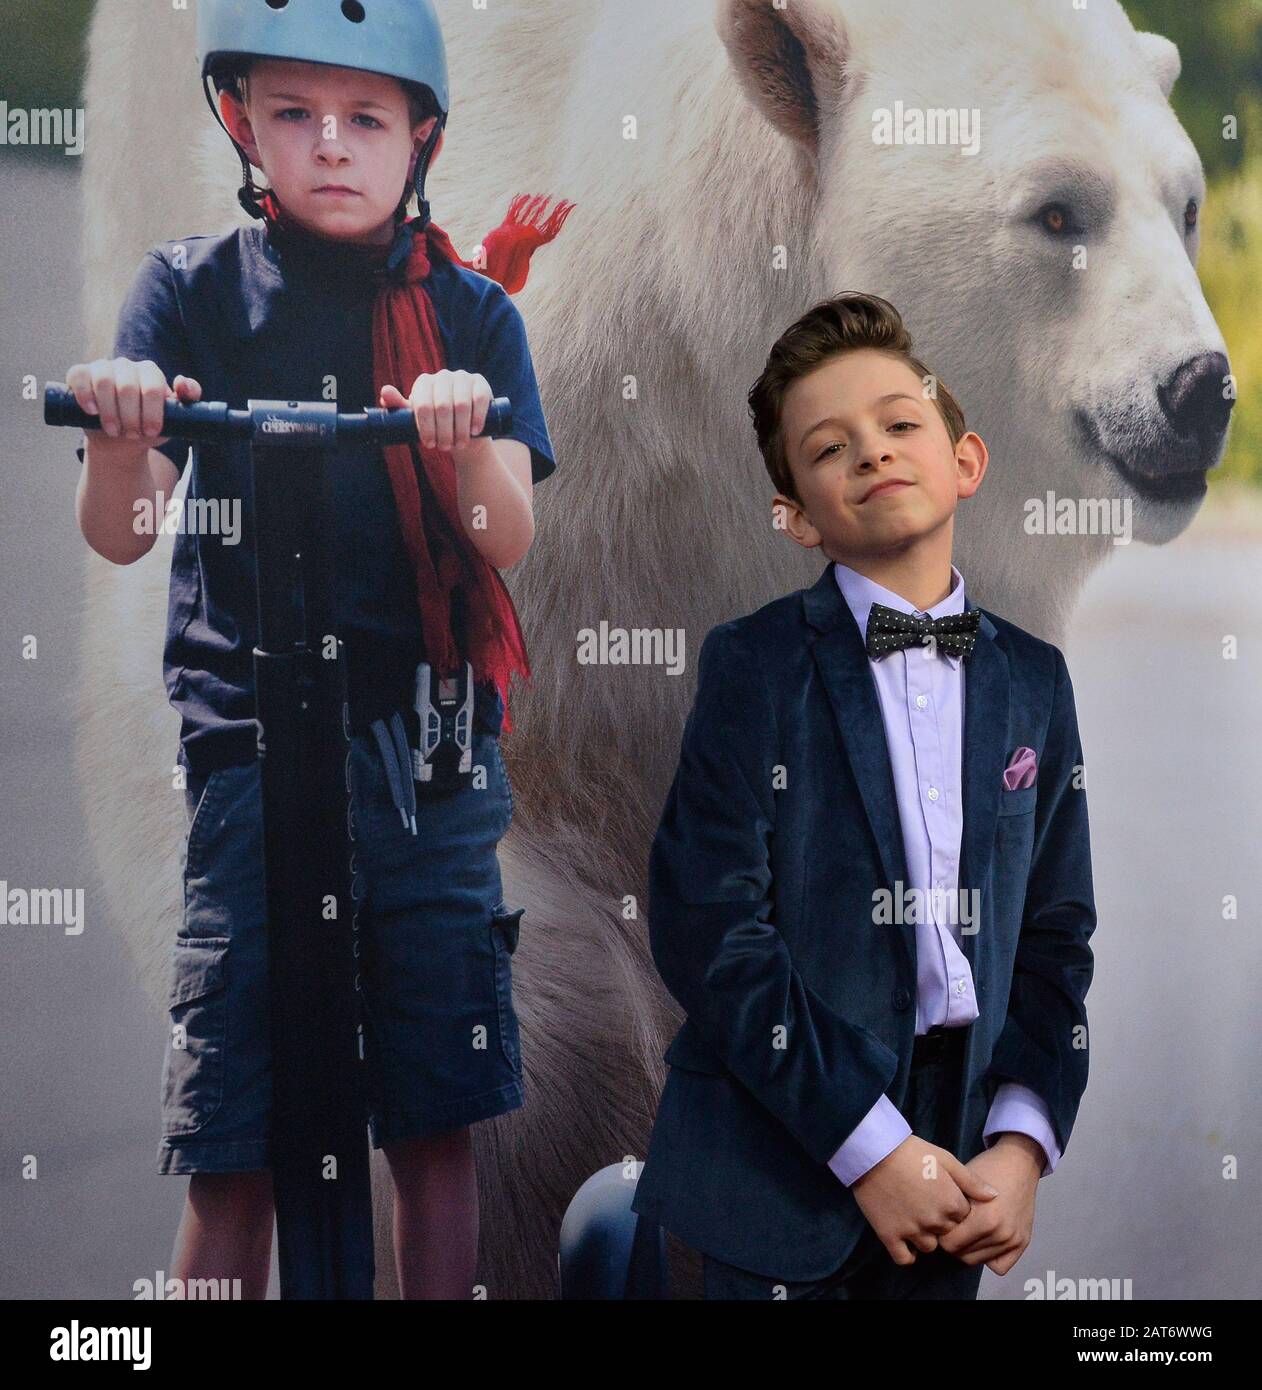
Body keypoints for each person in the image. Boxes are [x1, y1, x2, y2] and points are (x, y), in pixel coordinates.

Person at [65, 0, 569, 1299]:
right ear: (242, 124)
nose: (331, 145)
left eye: (365, 118)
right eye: (295, 115)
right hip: (245, 757)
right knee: (233, 1145)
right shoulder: (189, 293)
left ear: (423, 139)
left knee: (438, 1121)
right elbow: (124, 536)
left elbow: (502, 536)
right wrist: (125, 430)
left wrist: (459, 441)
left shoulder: (468, 316)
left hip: (429, 762)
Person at [630, 292, 1097, 1299]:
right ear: (795, 516)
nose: (872, 453)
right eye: (829, 448)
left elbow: (1057, 940)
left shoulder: (1033, 681)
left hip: (959, 1163)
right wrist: (869, 1146)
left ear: (963, 460)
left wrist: (1018, 1141)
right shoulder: (751, 665)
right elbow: (708, 927)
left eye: (897, 423)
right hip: (774, 1150)